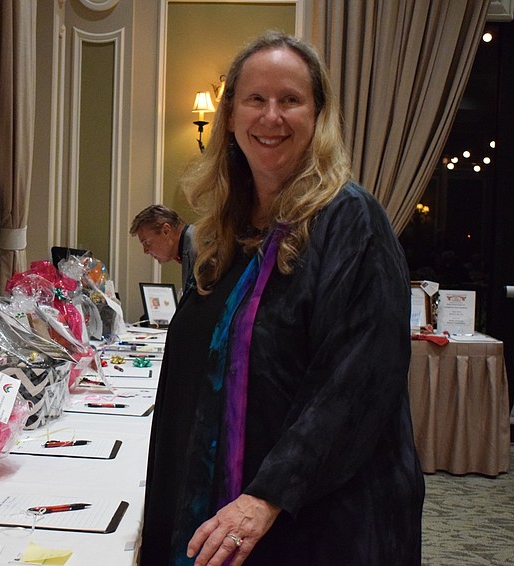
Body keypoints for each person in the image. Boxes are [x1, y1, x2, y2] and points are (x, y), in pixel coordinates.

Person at [140, 31, 424, 566]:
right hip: (227, 512)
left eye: (290, 100)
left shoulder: (350, 221)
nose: (271, 117)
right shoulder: (221, 235)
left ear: (318, 117)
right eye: (255, 99)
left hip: (320, 520)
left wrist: (267, 495)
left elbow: (357, 382)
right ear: (229, 117)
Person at [130, 204, 196, 293]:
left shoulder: (197, 250)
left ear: (166, 230)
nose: (145, 250)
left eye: (147, 243)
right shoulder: (191, 243)